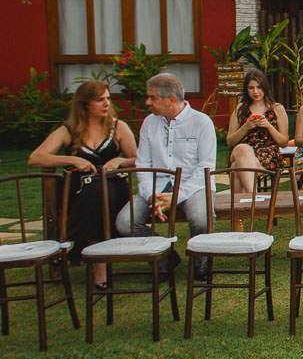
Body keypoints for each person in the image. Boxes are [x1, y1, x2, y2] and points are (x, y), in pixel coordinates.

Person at [28, 80, 137, 287]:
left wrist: (119, 160)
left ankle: (97, 260)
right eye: (99, 100)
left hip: (112, 186)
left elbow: (139, 159)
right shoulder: (69, 130)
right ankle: (99, 263)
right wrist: (72, 159)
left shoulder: (118, 126)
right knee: (92, 194)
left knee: (99, 193)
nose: (106, 104)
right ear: (85, 104)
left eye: (108, 99)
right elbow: (36, 157)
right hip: (79, 190)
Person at [117, 73, 217, 279]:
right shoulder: (149, 123)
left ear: (171, 99)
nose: (147, 102)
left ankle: (201, 262)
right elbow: (142, 164)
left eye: (152, 97)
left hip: (194, 186)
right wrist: (152, 196)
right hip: (156, 186)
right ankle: (165, 257)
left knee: (201, 218)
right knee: (124, 222)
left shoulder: (202, 122)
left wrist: (175, 197)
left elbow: (205, 168)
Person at [225, 69, 289, 202]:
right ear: (246, 90)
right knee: (242, 148)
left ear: (265, 87)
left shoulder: (277, 108)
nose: (255, 91)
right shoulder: (240, 109)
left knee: (235, 167)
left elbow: (283, 142)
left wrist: (268, 126)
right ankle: (253, 197)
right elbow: (230, 141)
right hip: (241, 150)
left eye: (259, 87)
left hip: (268, 153)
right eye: (251, 88)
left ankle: (238, 217)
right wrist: (246, 127)